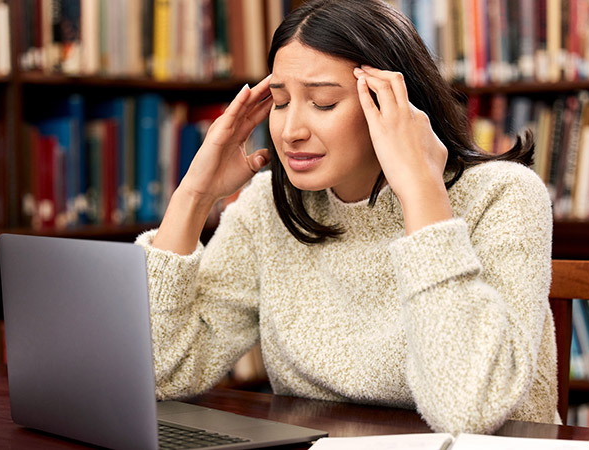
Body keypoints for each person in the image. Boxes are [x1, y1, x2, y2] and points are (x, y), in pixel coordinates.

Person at [135, 0, 556, 434]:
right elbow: (161, 372)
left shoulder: (504, 195)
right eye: (279, 102)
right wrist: (193, 195)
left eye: (322, 103)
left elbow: (469, 410)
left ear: (393, 103)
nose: (291, 130)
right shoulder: (269, 206)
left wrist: (420, 194)